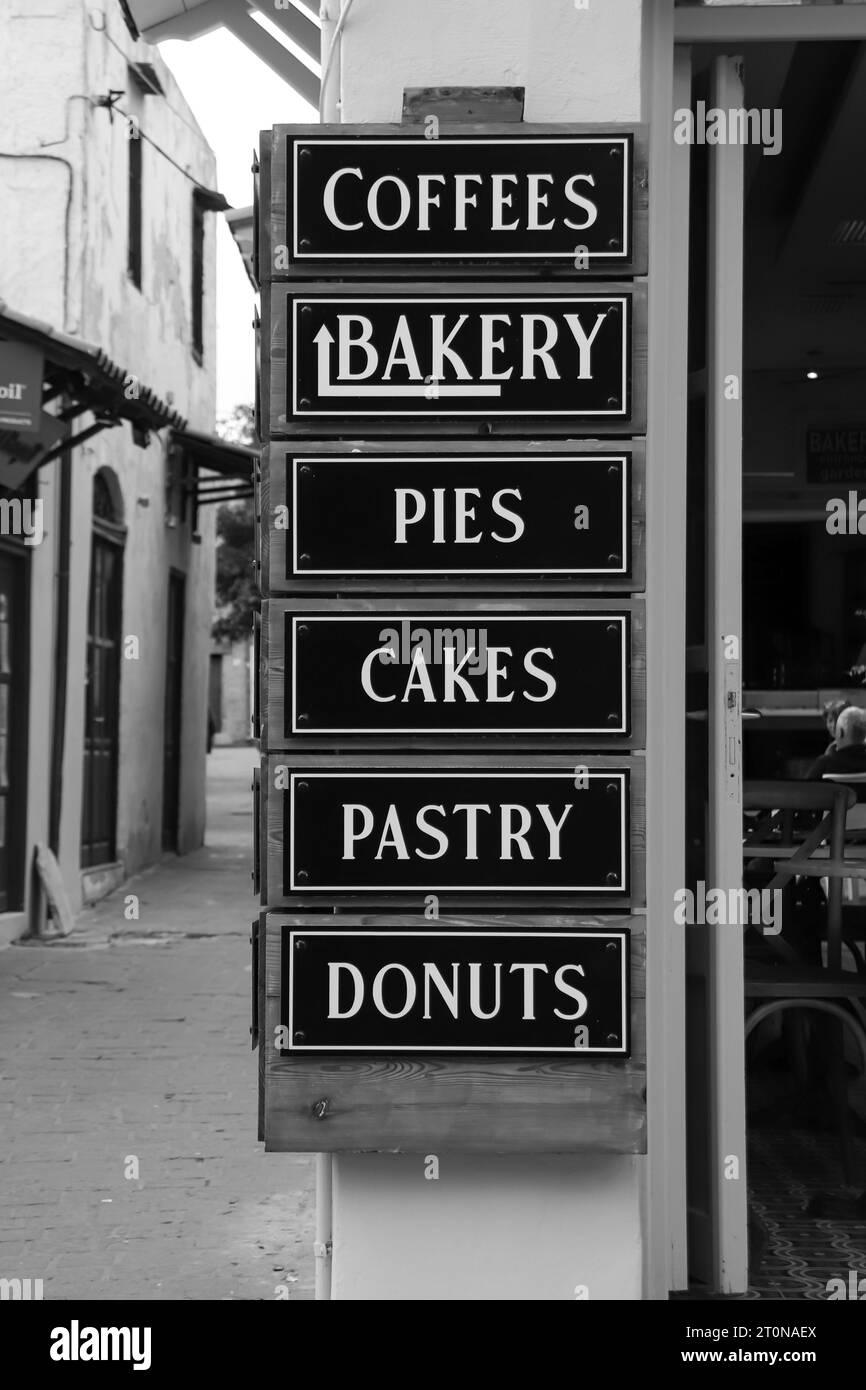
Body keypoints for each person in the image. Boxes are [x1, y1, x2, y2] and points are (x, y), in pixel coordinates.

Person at [807, 705, 866, 780]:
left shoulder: (824, 764)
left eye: (836, 726)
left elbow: (805, 789)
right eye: (830, 721)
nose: (833, 726)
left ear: (841, 733)